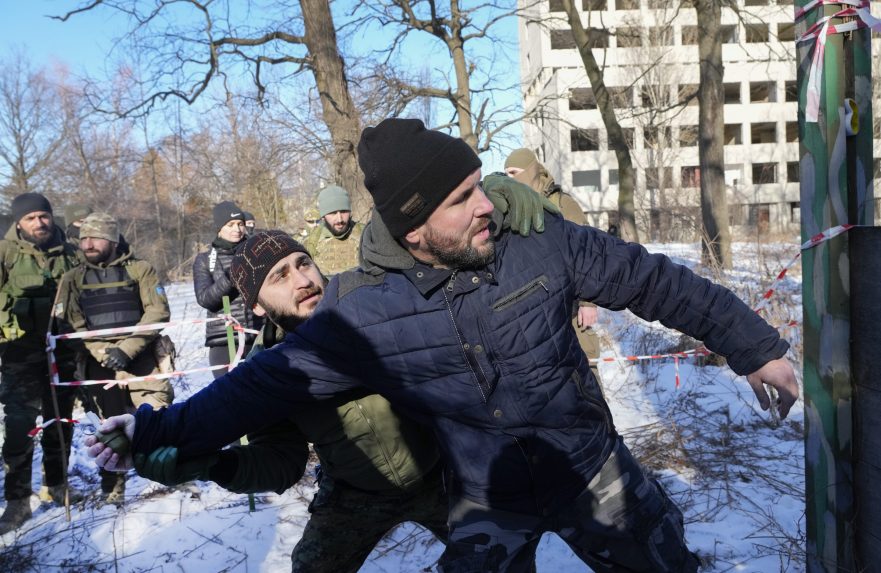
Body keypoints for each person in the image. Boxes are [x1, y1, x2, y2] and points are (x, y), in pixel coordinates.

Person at [90, 119, 798, 573]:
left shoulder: (537, 244)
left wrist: (753, 346)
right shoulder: (364, 317)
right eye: (462, 197)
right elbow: (258, 388)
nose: (487, 201)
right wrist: (152, 427)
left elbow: (652, 281)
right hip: (486, 498)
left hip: (591, 467)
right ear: (414, 229)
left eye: (478, 184)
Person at [137, 230, 459, 572]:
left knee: (501, 548)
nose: (303, 280)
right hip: (355, 493)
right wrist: (215, 465)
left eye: (304, 263)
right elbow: (281, 461)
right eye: (280, 276)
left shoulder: (370, 304)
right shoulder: (267, 368)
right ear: (258, 305)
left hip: (441, 474)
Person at [57, 212, 175, 504]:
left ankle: (172, 473)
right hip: (99, 365)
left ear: (111, 239)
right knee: (107, 428)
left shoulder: (141, 270)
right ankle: (112, 487)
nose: (87, 244)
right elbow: (71, 324)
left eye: (95, 237)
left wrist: (126, 349)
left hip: (142, 358)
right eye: (83, 238)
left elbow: (157, 311)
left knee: (156, 416)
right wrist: (102, 352)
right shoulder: (72, 278)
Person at [0, 193, 83, 534]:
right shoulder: (5, 254)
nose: (39, 222)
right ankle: (17, 501)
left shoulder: (71, 254)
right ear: (19, 222)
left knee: (61, 422)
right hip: (19, 356)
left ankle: (58, 484)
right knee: (20, 429)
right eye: (31, 217)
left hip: (62, 352)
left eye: (43, 216)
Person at [505, 148, 604, 385]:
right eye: (505, 174)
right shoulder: (510, 207)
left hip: (570, 303)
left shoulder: (562, 204)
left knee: (586, 370)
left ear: (530, 171)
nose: (509, 179)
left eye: (514, 173)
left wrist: (588, 301)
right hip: (534, 307)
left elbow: (587, 252)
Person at [193, 201, 263, 378]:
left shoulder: (256, 252)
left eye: (240, 224)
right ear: (219, 228)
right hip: (223, 340)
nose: (237, 229)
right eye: (230, 225)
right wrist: (231, 277)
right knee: (231, 399)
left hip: (259, 336)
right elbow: (205, 299)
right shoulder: (204, 260)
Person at [303, 185, 363, 276]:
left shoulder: (365, 234)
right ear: (323, 216)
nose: (339, 219)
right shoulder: (312, 242)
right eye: (333, 213)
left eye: (343, 211)